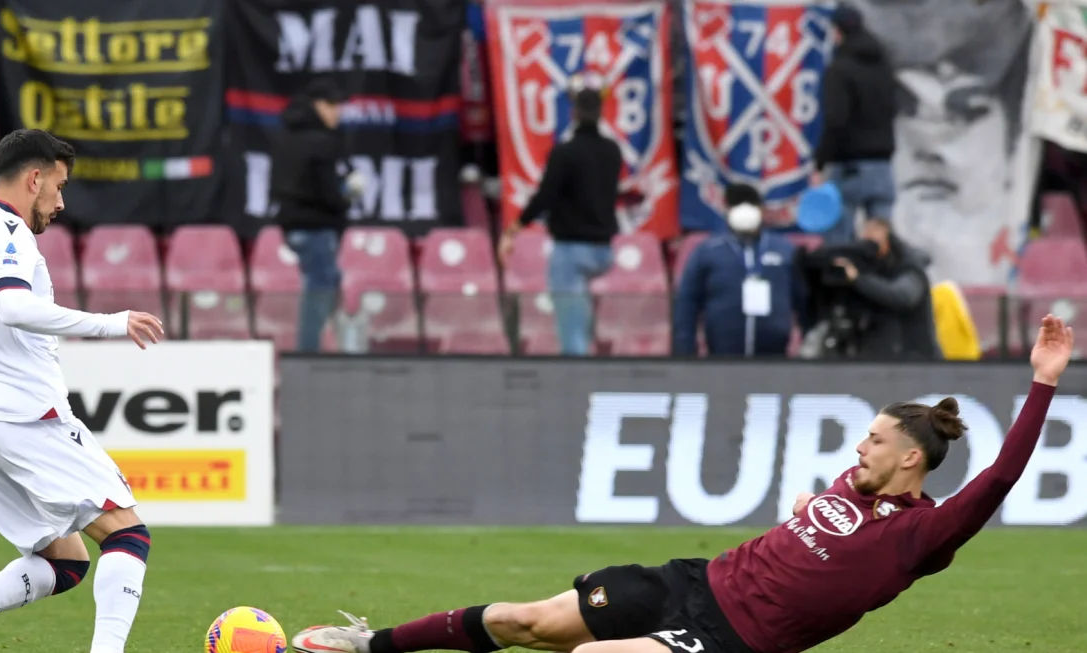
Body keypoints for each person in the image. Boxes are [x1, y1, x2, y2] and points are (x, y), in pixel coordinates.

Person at [292, 314, 1072, 653]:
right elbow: (821, 532)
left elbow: (1000, 473)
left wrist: (1040, 383)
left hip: (730, 639)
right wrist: (808, 510)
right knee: (525, 621)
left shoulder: (920, 535)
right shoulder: (852, 487)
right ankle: (373, 644)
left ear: (911, 457)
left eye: (873, 438)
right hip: (689, 582)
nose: (857, 445)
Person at [0, 129, 165, 653]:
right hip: (25, 417)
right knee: (128, 534)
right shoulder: (11, 232)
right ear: (33, 178)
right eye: (57, 187)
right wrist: (111, 322)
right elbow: (13, 307)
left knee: (67, 559)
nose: (60, 202)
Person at [498, 87, 623, 356]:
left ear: (574, 113)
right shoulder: (612, 151)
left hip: (572, 250)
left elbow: (545, 197)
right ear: (601, 114)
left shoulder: (565, 153)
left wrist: (515, 227)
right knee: (581, 309)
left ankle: (578, 382)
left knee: (572, 333)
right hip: (604, 249)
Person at [270, 78, 361, 352]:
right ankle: (308, 354)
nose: (337, 112)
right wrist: (347, 194)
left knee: (327, 284)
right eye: (330, 104)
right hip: (316, 228)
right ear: (314, 106)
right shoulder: (322, 142)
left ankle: (334, 346)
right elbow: (328, 193)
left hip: (292, 228)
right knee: (320, 289)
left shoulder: (286, 136)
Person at [675, 184, 806, 357]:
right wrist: (685, 353)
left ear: (760, 209)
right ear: (727, 209)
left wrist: (810, 346)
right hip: (722, 354)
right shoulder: (708, 251)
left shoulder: (784, 249)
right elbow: (687, 303)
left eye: (750, 205)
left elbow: (804, 301)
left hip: (775, 356)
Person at [812, 5, 898, 245]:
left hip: (850, 166)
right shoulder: (883, 67)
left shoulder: (840, 69)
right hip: (883, 165)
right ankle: (884, 282)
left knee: (839, 244)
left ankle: (844, 282)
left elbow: (836, 119)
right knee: (883, 244)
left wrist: (820, 162)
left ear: (837, 33)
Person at [832, 216, 941, 359]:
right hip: (879, 360)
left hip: (915, 361)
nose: (869, 250)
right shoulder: (871, 272)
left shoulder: (910, 269)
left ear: (888, 242)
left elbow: (903, 297)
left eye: (873, 243)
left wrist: (860, 279)